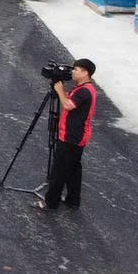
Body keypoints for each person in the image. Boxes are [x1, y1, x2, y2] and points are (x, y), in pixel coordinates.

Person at [41, 60, 99, 211]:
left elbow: (67, 105)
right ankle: (73, 200)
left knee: (59, 171)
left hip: (71, 137)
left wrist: (59, 90)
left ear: (85, 72)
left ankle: (50, 203)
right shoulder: (86, 89)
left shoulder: (83, 91)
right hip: (78, 137)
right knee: (73, 170)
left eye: (76, 69)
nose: (72, 72)